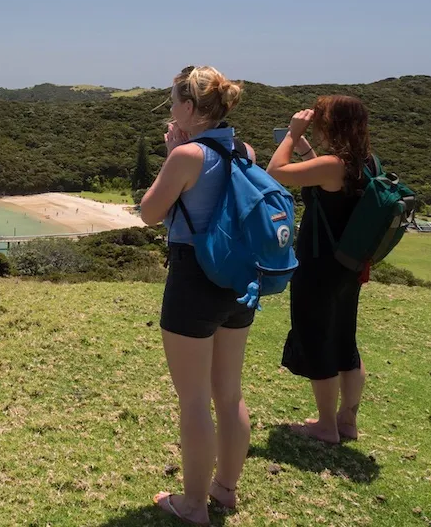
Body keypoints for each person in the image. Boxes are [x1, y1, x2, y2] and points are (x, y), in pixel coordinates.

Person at [138, 66, 255, 525]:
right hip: (237, 279)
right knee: (228, 394)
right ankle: (224, 490)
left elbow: (150, 213)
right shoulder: (245, 149)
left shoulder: (186, 155)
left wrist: (173, 154)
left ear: (189, 109)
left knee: (192, 399)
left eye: (173, 102)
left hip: (194, 277)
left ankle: (192, 506)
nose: (169, 109)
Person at [267, 96, 371, 444]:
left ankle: (326, 426)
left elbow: (275, 173)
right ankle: (347, 421)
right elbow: (325, 189)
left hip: (318, 267)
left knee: (316, 339)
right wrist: (307, 151)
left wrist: (291, 135)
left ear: (332, 125)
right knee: (344, 340)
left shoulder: (333, 164)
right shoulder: (366, 162)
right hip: (348, 267)